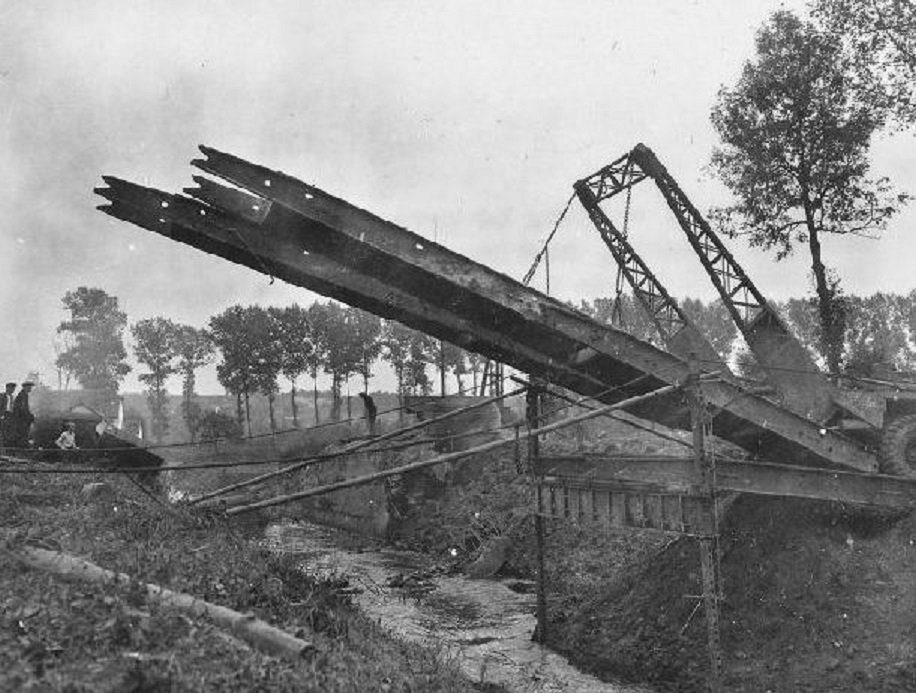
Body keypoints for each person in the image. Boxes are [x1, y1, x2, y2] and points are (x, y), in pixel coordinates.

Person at [8, 381, 35, 448]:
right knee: (22, 432)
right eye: (28, 387)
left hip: (24, 418)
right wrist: (30, 416)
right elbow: (22, 409)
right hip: (21, 419)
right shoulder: (21, 396)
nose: (30, 389)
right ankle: (22, 445)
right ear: (24, 387)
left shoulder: (25, 395)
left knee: (25, 432)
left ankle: (23, 444)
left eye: (30, 387)